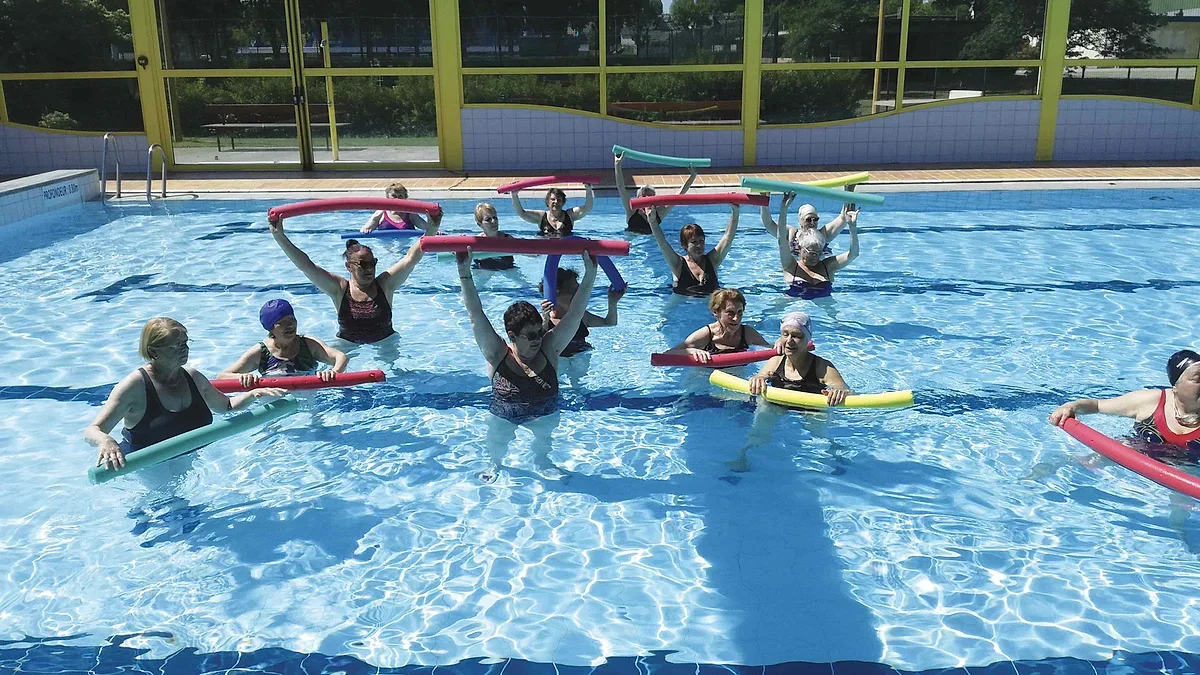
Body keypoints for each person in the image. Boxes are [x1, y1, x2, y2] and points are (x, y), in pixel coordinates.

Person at [458, 250, 598, 481]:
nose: (537, 339)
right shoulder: (496, 353)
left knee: (544, 440)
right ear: (512, 335)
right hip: (504, 414)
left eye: (539, 333)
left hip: (545, 413)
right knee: (497, 441)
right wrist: (464, 274)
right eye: (530, 336)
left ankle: (542, 461)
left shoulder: (549, 347)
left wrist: (590, 274)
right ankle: (495, 464)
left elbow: (575, 314)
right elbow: (475, 314)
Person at [85, 317, 287, 471]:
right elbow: (93, 430)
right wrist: (106, 441)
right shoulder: (134, 386)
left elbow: (226, 406)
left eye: (186, 343)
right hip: (149, 470)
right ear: (153, 351)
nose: (185, 349)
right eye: (177, 345)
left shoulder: (193, 377)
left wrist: (252, 395)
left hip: (192, 463)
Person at [270, 209, 441, 344]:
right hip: (347, 344)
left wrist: (432, 228)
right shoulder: (339, 289)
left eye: (372, 263)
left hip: (386, 342)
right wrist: (279, 236)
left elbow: (411, 258)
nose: (370, 269)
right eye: (363, 265)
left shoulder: (385, 284)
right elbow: (306, 266)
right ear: (348, 266)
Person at [725, 313, 852, 472]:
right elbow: (760, 375)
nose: (789, 340)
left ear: (807, 340)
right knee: (759, 430)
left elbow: (845, 390)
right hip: (776, 403)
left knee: (822, 434)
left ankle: (836, 455)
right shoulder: (776, 360)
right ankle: (743, 456)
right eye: (785, 335)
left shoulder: (822, 366)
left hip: (810, 406)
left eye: (796, 336)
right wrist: (757, 379)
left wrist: (838, 392)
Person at [1050, 349, 1200, 452]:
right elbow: (1097, 405)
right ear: (1175, 385)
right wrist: (1072, 406)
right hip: (1134, 455)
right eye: (1198, 379)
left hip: (1186, 473)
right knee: (1083, 462)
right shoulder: (1150, 401)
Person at [218, 299, 349, 387]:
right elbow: (222, 377)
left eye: (292, 319)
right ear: (270, 327)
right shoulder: (261, 352)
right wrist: (243, 377)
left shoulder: (308, 344)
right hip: (275, 401)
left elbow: (341, 357)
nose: (290, 325)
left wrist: (334, 372)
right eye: (282, 322)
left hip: (310, 396)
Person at [648, 204, 740, 297]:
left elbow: (727, 238)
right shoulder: (678, 264)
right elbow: (662, 243)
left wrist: (735, 212)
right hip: (683, 305)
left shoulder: (712, 260)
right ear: (684, 245)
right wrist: (652, 222)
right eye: (694, 242)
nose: (699, 245)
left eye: (701, 241)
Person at [776, 198, 858, 299]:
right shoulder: (790, 265)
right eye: (812, 253)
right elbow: (781, 241)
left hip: (825, 310)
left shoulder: (828, 266)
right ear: (801, 249)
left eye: (819, 252)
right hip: (794, 305)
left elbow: (853, 254)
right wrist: (783, 209)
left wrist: (852, 227)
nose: (816, 257)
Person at [664, 288, 772, 363]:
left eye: (740, 312)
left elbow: (772, 350)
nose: (736, 318)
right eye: (730, 313)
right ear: (716, 312)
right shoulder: (705, 335)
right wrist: (690, 351)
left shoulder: (747, 333)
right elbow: (666, 355)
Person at [538, 267, 624, 357]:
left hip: (582, 357)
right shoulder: (543, 319)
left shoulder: (582, 315)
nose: (578, 295)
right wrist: (545, 320)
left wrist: (612, 303)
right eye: (573, 290)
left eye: (579, 290)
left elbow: (609, 322)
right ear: (556, 293)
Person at [614, 152, 698, 234]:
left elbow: (679, 195)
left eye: (650, 197)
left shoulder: (659, 212)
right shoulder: (631, 210)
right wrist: (617, 165)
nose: (647, 199)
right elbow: (621, 188)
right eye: (644, 196)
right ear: (637, 199)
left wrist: (693, 176)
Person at [761, 191, 857, 256]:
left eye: (815, 219)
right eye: (808, 219)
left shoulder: (823, 234)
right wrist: (764, 198)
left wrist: (849, 191)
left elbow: (844, 217)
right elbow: (769, 224)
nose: (812, 222)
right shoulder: (791, 234)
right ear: (800, 221)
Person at [511, 186, 594, 238]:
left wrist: (588, 188)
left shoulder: (570, 215)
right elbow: (521, 212)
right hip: (546, 250)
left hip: (567, 251)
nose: (556, 202)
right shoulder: (541, 217)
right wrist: (514, 195)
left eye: (559, 200)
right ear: (547, 201)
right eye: (553, 199)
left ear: (563, 202)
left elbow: (587, 208)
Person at [360, 182, 433, 233]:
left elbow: (427, 228)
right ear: (388, 198)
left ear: (405, 198)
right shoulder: (381, 213)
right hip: (385, 252)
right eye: (394, 196)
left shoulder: (411, 214)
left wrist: (433, 224)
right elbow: (364, 229)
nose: (397, 200)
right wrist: (366, 230)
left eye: (400, 196)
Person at [472, 202, 516, 271]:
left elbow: (528, 252)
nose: (493, 221)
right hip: (483, 269)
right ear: (479, 224)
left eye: (495, 217)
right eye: (488, 219)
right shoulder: (477, 242)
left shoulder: (507, 239)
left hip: (507, 268)